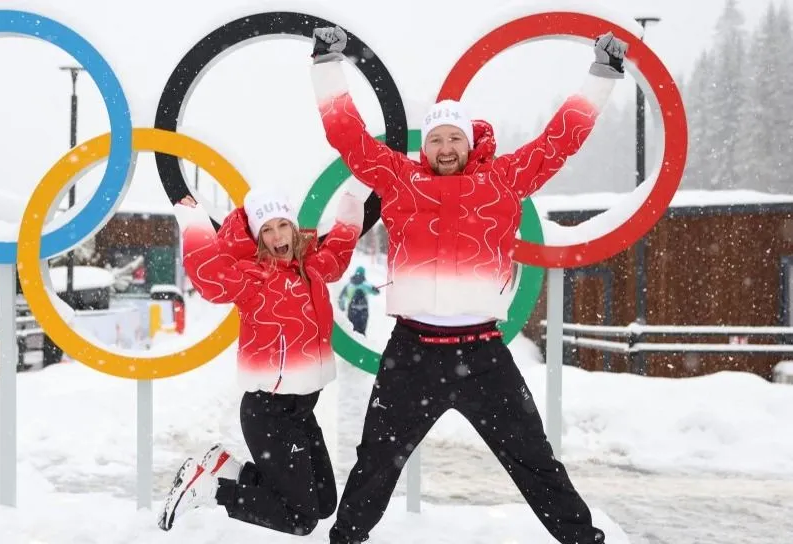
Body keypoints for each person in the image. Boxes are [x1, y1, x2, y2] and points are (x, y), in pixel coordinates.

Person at [308, 26, 628, 544]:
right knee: (375, 463)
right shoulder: (400, 180)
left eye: (454, 137)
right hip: (412, 353)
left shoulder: (501, 181)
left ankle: (583, 540)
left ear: (470, 142)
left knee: (535, 461)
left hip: (483, 355)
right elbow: (349, 138)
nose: (445, 147)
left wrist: (602, 75)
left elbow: (558, 142)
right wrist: (326, 64)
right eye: (436, 139)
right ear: (426, 147)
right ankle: (346, 539)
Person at [157, 188, 365, 537]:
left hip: (301, 411)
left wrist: (352, 208)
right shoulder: (253, 278)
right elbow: (210, 279)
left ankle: (227, 470)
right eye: (266, 229)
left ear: (294, 229)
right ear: (257, 237)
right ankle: (210, 489)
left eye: (283, 225)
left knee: (324, 502)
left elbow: (337, 256)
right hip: (269, 412)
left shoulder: (311, 268)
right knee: (301, 519)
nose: (277, 236)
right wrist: (193, 223)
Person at [338, 266, 380, 335]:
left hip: (352, 310)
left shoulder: (349, 285)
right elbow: (376, 292)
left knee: (351, 331)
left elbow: (341, 297)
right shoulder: (366, 285)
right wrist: (375, 289)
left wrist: (342, 307)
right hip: (363, 311)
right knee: (361, 332)